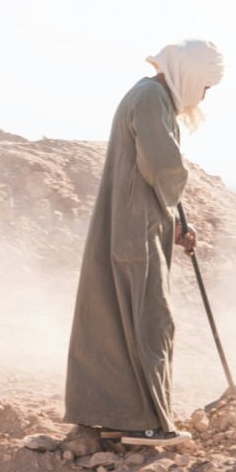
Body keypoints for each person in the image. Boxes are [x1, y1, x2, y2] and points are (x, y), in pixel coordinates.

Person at [63, 39, 225, 446]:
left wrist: (172, 223)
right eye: (205, 86)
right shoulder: (152, 98)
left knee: (117, 318)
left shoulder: (148, 95)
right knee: (152, 319)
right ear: (189, 74)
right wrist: (173, 208)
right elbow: (163, 166)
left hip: (133, 222)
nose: (203, 96)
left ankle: (117, 415)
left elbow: (149, 171)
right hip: (136, 228)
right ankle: (149, 425)